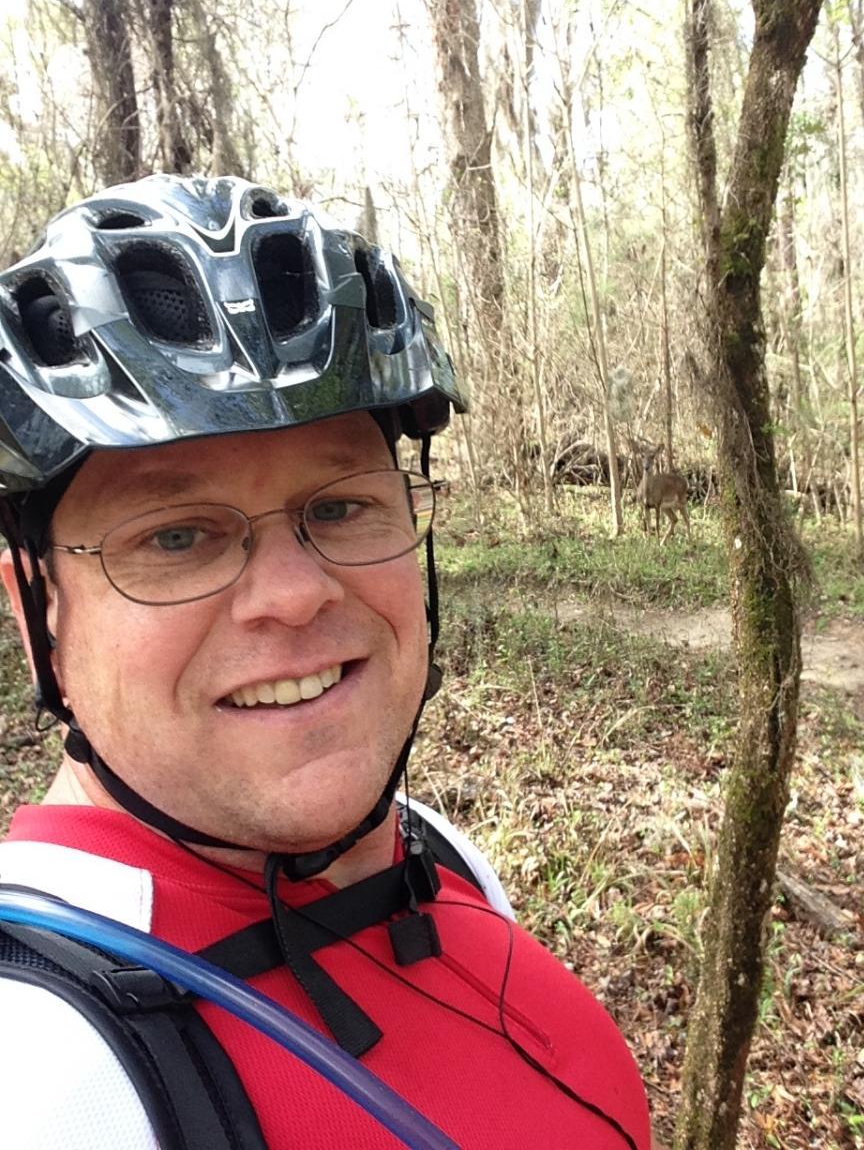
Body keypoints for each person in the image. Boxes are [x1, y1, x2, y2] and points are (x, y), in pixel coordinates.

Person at [0, 175, 651, 1149]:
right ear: (36, 613)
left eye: (341, 506)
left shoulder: (428, 855)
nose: (296, 594)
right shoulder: (44, 1072)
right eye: (178, 537)